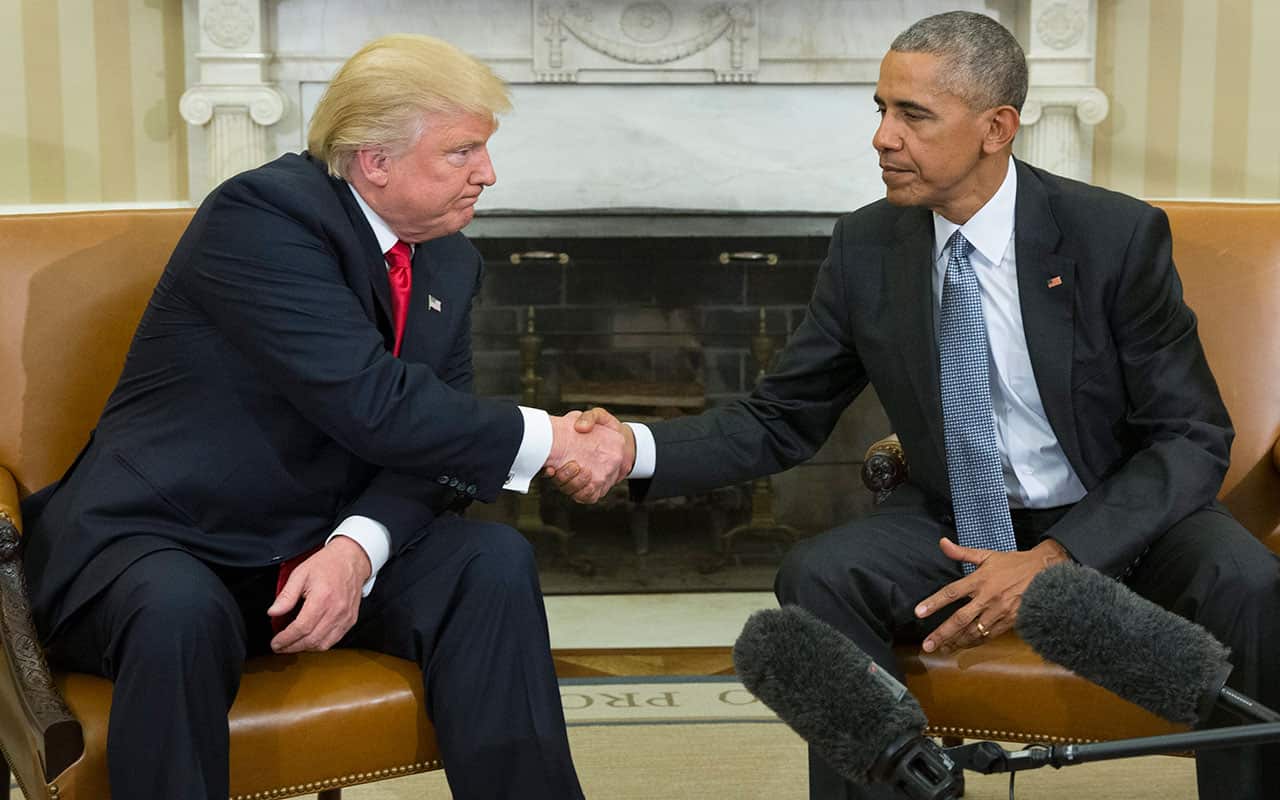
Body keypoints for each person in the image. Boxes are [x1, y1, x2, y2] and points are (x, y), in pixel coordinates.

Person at [557, 11, 1280, 800]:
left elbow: (1190, 435)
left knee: (1242, 577)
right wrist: (633, 449)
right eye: (881, 109)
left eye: (913, 115)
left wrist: (1055, 560)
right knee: (819, 574)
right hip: (958, 522)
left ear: (995, 127)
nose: (882, 138)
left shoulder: (1112, 236)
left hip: (1116, 516)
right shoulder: (868, 246)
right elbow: (781, 416)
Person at [20, 34, 629, 800]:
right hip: (170, 534)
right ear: (374, 159)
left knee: (489, 564)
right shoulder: (262, 216)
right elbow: (375, 403)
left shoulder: (448, 257)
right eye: (463, 151)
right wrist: (549, 438)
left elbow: (434, 442)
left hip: (316, 539)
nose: (488, 173)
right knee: (180, 612)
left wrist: (358, 548)